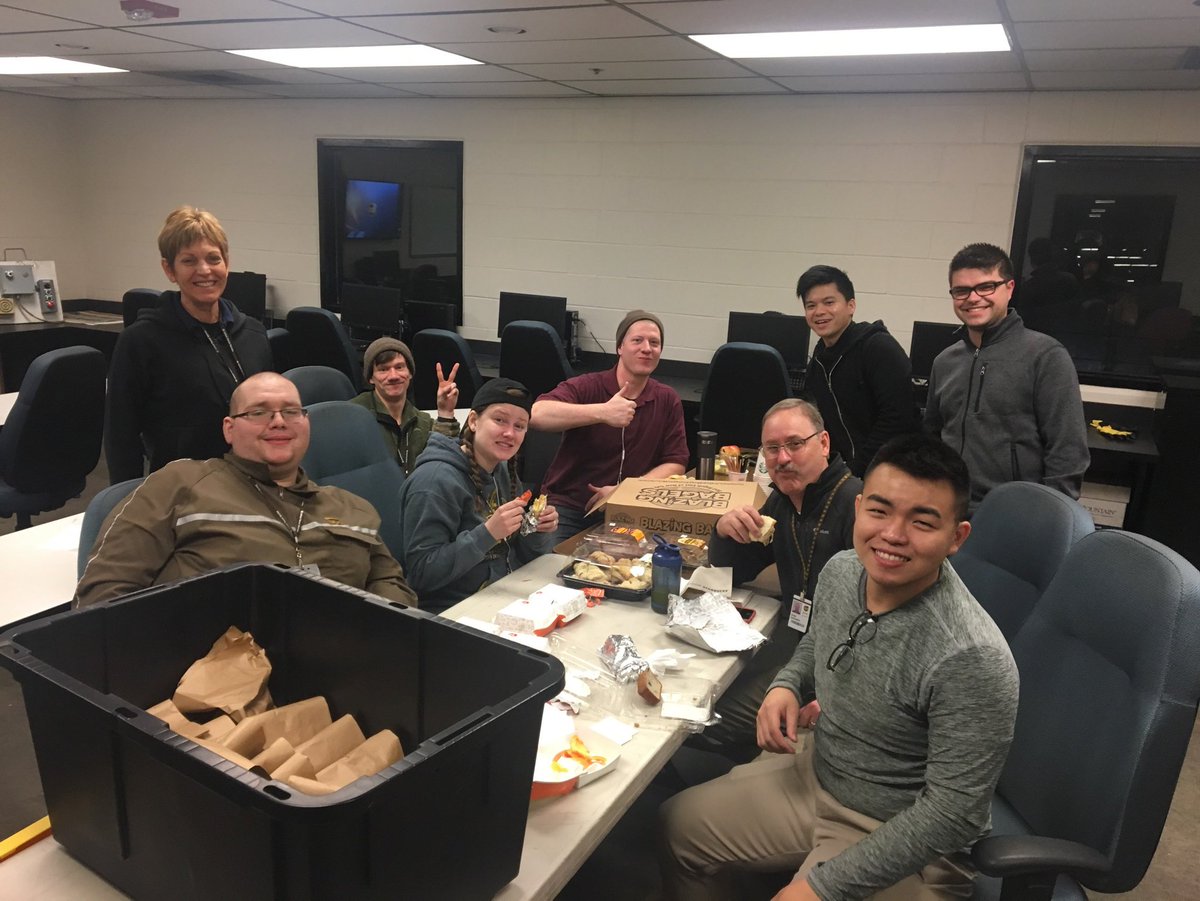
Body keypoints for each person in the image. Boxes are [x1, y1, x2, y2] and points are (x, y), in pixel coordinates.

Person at [659, 433, 1019, 901]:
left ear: (957, 537)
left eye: (922, 522)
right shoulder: (845, 570)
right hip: (819, 776)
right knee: (678, 828)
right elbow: (816, 641)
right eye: (880, 510)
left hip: (905, 833)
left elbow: (955, 814)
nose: (892, 534)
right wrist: (787, 684)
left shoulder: (971, 656)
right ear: (860, 506)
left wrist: (823, 888)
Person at [76, 373, 417, 608]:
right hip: (213, 687)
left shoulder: (351, 508)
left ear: (306, 424)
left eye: (292, 411)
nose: (279, 421)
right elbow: (102, 596)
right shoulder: (180, 484)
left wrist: (376, 633)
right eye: (259, 412)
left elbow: (391, 582)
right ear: (229, 428)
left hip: (347, 677)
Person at [697, 399, 860, 762]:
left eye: (795, 444)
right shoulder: (785, 502)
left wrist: (832, 694)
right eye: (772, 448)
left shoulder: (856, 507)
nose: (782, 458)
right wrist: (723, 533)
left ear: (824, 444)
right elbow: (738, 571)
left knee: (704, 718)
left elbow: (879, 621)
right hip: (793, 644)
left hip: (834, 668)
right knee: (697, 684)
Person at [105, 206, 272, 484]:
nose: (204, 270)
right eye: (189, 261)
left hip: (255, 485)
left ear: (227, 263)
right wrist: (127, 505)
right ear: (169, 270)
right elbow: (121, 436)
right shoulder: (141, 342)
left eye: (213, 258)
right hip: (182, 493)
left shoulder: (253, 334)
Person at [924, 242, 1089, 513]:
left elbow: (1068, 452)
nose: (973, 298)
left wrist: (1049, 517)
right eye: (961, 290)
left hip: (1016, 515)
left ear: (1009, 288)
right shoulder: (944, 362)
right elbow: (932, 438)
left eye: (986, 287)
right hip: (949, 510)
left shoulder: (1046, 356)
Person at [396, 379, 559, 613]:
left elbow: (522, 554)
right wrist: (487, 533)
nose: (509, 433)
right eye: (499, 420)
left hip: (504, 592)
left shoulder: (502, 469)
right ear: (473, 421)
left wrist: (537, 531)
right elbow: (422, 574)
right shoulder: (434, 481)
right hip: (455, 611)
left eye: (520, 426)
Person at [532, 310, 689, 542]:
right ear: (619, 348)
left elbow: (676, 462)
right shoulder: (588, 386)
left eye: (654, 343)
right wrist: (602, 412)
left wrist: (626, 490)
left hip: (629, 508)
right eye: (637, 340)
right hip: (569, 509)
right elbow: (537, 414)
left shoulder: (667, 399)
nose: (647, 348)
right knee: (548, 568)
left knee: (646, 568)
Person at [798, 265, 917, 476]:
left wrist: (855, 472)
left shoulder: (878, 348)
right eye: (811, 305)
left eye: (829, 302)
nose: (819, 312)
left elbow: (897, 420)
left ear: (851, 305)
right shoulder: (818, 362)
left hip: (893, 473)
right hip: (848, 474)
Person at [350, 337, 460, 475]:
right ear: (371, 378)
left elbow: (444, 459)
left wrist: (445, 412)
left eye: (399, 367)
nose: (393, 376)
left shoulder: (422, 422)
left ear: (410, 373)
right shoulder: (353, 415)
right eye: (383, 369)